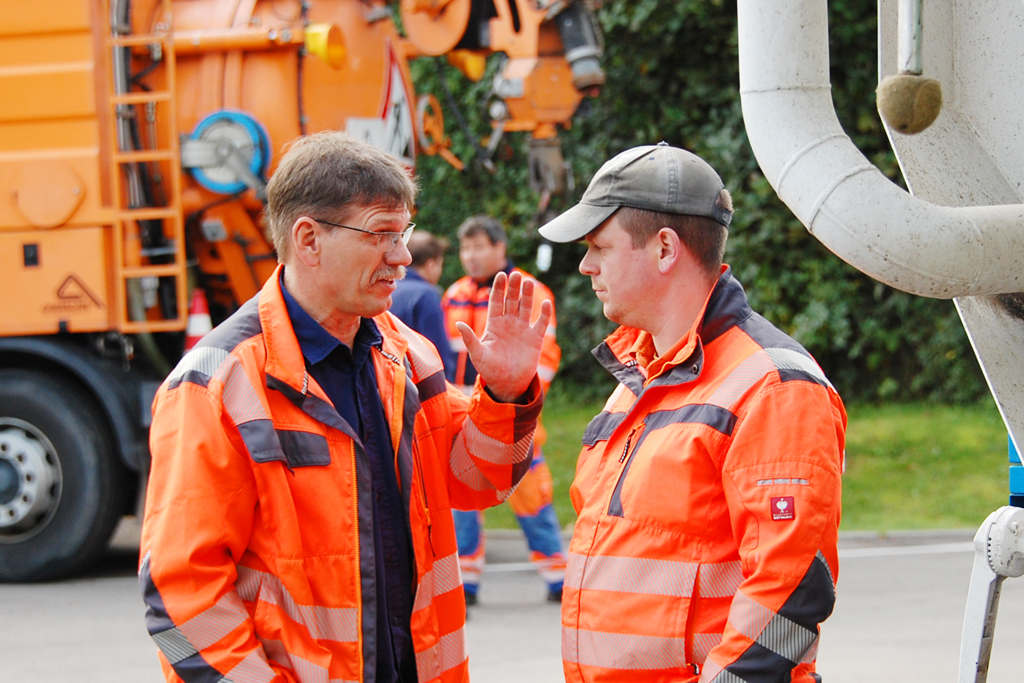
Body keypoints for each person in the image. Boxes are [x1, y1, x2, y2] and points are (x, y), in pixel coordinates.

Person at [139, 131, 551, 683]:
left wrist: (505, 394)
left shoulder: (408, 355)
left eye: (403, 234)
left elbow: (478, 480)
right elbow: (179, 598)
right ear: (308, 239)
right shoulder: (213, 385)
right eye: (382, 234)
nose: (403, 257)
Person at [538, 142, 846, 683]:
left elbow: (789, 590)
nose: (586, 266)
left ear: (665, 249)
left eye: (599, 246)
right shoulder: (640, 378)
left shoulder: (773, 386)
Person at [441, 215, 566, 604]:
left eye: (478, 247)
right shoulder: (454, 293)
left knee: (533, 498)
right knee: (463, 502)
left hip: (513, 419)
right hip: (464, 418)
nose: (470, 256)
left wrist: (514, 399)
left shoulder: (531, 292)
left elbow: (544, 359)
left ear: (500, 247)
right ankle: (466, 583)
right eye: (465, 248)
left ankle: (559, 578)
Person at [390, 230, 458, 381]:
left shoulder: (387, 288)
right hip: (417, 387)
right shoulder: (426, 294)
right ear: (431, 264)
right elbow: (438, 354)